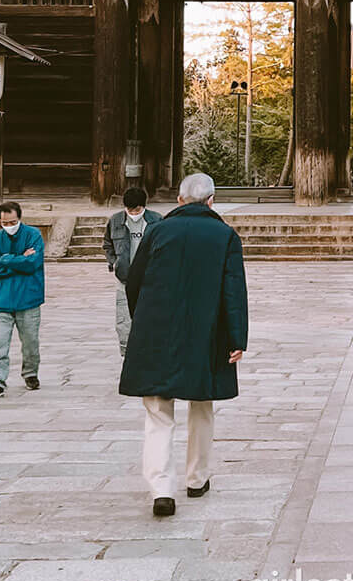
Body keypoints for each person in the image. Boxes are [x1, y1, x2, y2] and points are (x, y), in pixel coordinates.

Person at [119, 173, 247, 519]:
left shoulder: (157, 231)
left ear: (179, 200)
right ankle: (196, 477)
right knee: (202, 405)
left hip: (157, 330)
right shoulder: (224, 235)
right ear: (211, 200)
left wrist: (142, 320)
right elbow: (233, 292)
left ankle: (162, 489)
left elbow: (134, 279)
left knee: (158, 411)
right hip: (206, 332)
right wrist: (236, 338)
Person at [0, 202, 45, 399]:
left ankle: (30, 373)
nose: (9, 225)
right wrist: (19, 259)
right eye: (5, 222)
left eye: (13, 221)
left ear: (20, 218)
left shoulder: (33, 235)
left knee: (30, 343)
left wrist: (7, 259)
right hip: (3, 300)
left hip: (28, 297)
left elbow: (33, 263)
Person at [104, 186, 161, 354]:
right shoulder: (115, 220)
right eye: (129, 209)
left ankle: (152, 352)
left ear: (143, 206)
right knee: (124, 320)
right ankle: (127, 353)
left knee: (152, 317)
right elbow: (107, 244)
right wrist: (114, 262)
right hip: (125, 279)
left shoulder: (157, 220)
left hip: (150, 279)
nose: (133, 213)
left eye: (136, 210)